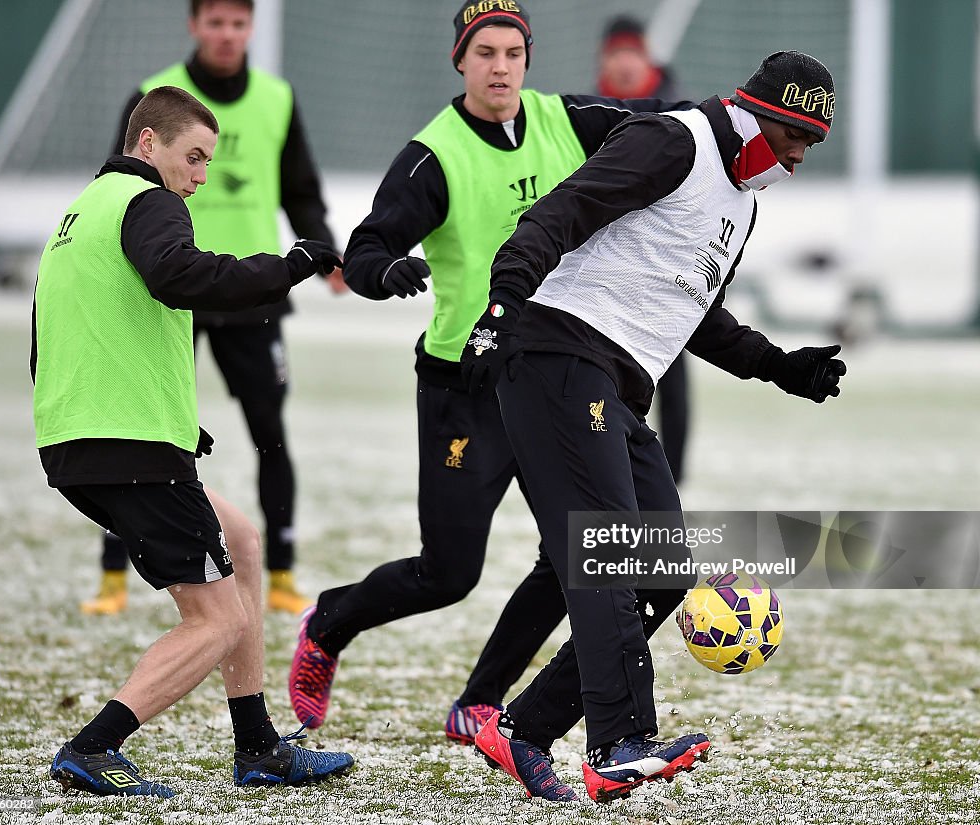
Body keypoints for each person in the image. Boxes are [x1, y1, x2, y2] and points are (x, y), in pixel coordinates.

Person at [288, 0, 687, 769]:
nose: (500, 66)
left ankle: (481, 705)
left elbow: (659, 123)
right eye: (484, 53)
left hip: (554, 373)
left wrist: (730, 121)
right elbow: (367, 248)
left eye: (512, 52)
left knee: (578, 552)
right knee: (449, 572)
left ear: (527, 60)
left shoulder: (566, 120)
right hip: (465, 385)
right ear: (460, 62)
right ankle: (331, 624)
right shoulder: (432, 156)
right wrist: (386, 271)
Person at [461, 51, 845, 803]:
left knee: (664, 568)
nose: (799, 154)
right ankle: (619, 741)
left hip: (613, 386)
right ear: (751, 109)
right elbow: (556, 215)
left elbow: (695, 312)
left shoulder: (744, 204)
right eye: (793, 132)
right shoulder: (674, 140)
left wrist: (780, 365)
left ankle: (524, 728)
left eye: (814, 143)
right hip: (556, 352)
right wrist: (501, 306)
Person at [34, 85, 353, 797]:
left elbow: (64, 331)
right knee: (217, 618)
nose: (201, 175)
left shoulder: (81, 212)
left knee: (240, 543)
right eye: (195, 157)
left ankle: (259, 747)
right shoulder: (147, 200)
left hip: (85, 438)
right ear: (148, 144)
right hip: (127, 442)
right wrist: (289, 264)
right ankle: (93, 746)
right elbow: (182, 275)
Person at [81, 0, 343, 617]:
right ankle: (112, 577)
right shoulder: (155, 98)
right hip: (169, 291)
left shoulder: (277, 98)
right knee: (137, 428)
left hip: (252, 292)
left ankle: (279, 571)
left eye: (238, 23)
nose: (227, 35)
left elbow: (300, 187)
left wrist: (326, 254)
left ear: (250, 28)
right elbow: (118, 184)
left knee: (270, 435)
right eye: (215, 23)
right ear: (195, 26)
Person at [597, 14, 690, 483]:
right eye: (616, 54)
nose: (624, 63)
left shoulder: (676, 108)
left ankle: (672, 470)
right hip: (616, 256)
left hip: (670, 253)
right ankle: (624, 463)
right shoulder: (593, 109)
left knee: (671, 362)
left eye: (631, 53)